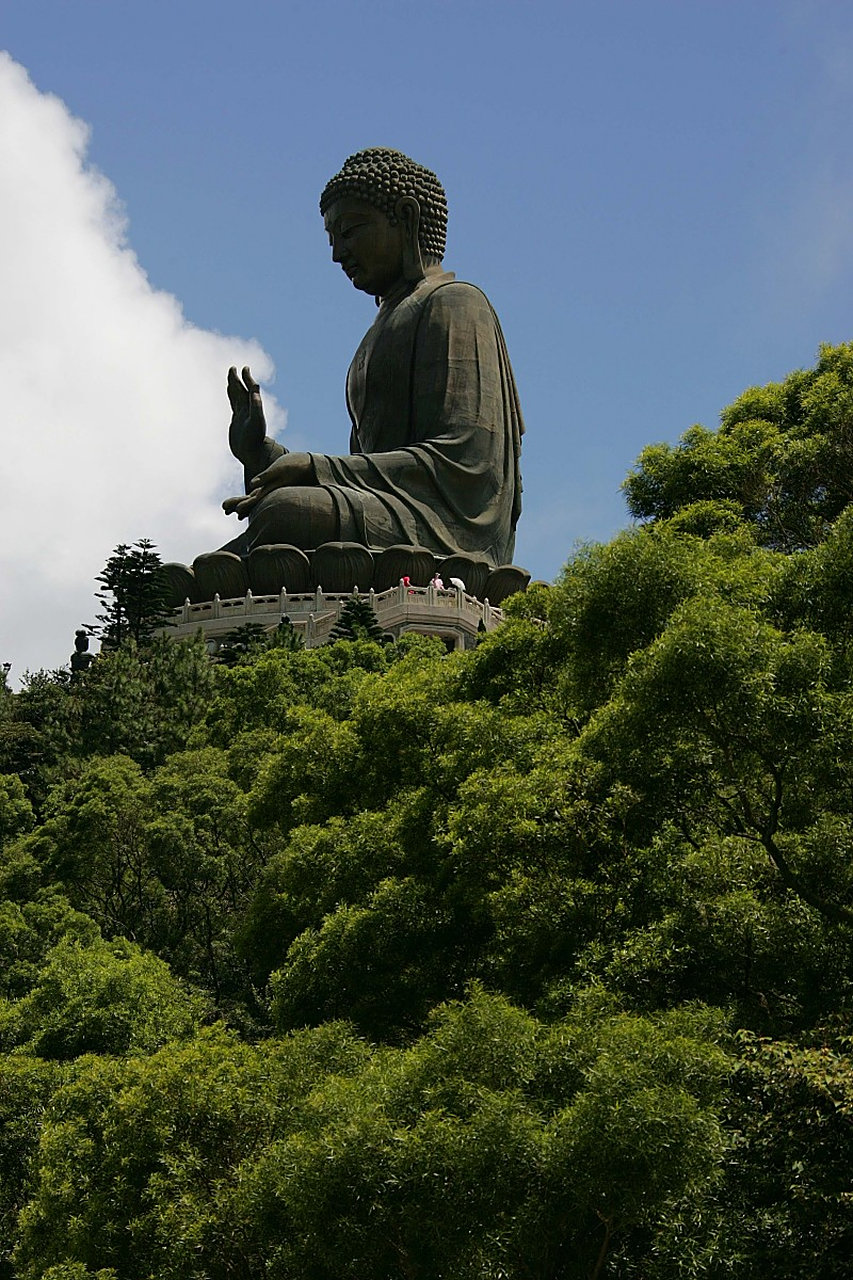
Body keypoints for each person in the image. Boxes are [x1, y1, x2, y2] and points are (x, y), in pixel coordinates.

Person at [208, 148, 524, 577]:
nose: (339, 254)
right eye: (332, 239)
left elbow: (466, 464)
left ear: (407, 218)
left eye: (351, 231)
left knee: (282, 514)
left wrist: (316, 467)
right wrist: (262, 454)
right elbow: (369, 469)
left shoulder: (456, 303)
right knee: (237, 546)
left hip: (445, 529)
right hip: (389, 514)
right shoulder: (384, 326)